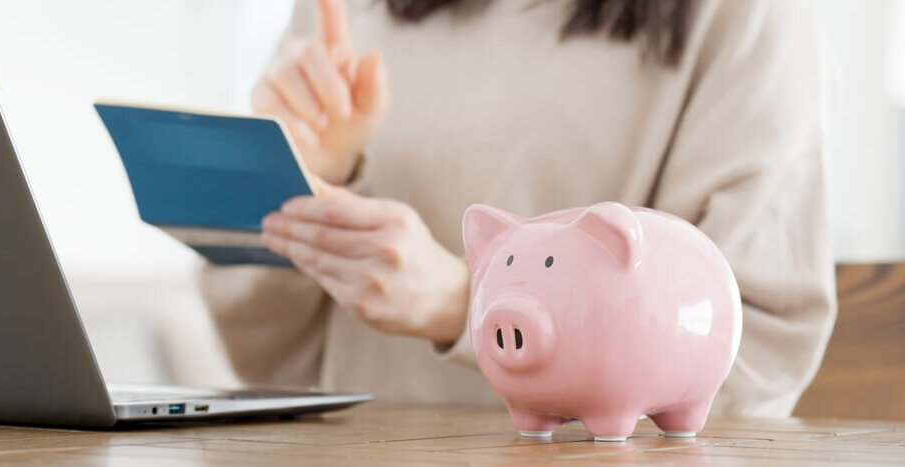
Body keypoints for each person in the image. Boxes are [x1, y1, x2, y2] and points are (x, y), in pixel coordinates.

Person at [200, 0, 836, 416]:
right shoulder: (344, 14)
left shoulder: (747, 18)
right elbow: (260, 352)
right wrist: (304, 178)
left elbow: (752, 355)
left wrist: (468, 305)